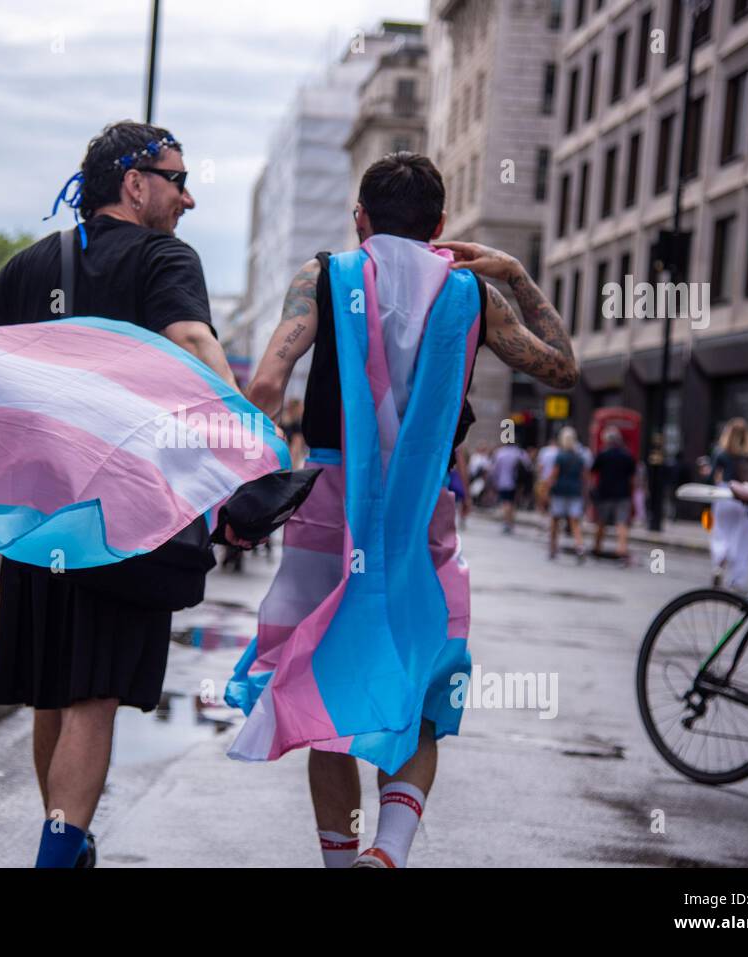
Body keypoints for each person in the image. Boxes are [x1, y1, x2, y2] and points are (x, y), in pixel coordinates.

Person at [231, 152, 578, 867]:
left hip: (327, 505)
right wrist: (511, 271)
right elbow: (563, 366)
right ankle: (385, 857)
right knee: (419, 677)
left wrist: (231, 470)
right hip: (423, 512)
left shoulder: (323, 277)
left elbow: (266, 381)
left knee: (321, 682)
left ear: (361, 219)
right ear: (442, 227)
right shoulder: (471, 293)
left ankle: (339, 860)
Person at [0, 121, 236, 868]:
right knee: (92, 695)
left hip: (36, 513)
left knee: (55, 691)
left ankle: (69, 840)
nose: (187, 197)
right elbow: (190, 341)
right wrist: (246, 433)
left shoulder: (29, 265)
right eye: (177, 180)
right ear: (133, 183)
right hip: (123, 510)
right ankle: (56, 856)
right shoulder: (164, 257)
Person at [709, 417, 748, 590]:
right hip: (745, 497)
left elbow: (710, 476)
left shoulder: (720, 452)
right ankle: (737, 579)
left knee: (721, 533)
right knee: (742, 540)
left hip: (724, 494)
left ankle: (720, 561)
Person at [590, 427, 636, 563]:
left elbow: (593, 472)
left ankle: (597, 546)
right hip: (623, 493)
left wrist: (592, 488)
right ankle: (621, 549)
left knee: (601, 522)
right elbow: (632, 478)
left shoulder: (603, 454)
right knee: (621, 523)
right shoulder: (627, 455)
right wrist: (631, 495)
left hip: (605, 493)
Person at [548, 426, 588, 562]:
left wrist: (547, 488)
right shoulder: (579, 457)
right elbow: (584, 476)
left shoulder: (560, 456)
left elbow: (554, 474)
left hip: (559, 491)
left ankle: (553, 548)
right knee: (574, 521)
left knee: (555, 520)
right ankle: (580, 547)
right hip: (575, 491)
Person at [489, 441, 528, 533]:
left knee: (506, 502)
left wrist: (494, 481)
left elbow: (494, 469)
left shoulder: (500, 453)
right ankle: (511, 522)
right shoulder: (520, 453)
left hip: (503, 481)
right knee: (513, 503)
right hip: (516, 482)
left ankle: (507, 522)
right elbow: (528, 466)